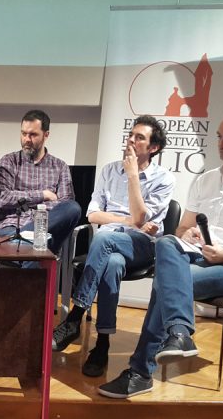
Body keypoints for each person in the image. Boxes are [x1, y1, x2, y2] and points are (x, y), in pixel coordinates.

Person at [98, 112, 223, 399]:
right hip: (197, 257)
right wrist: (187, 234)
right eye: (219, 137)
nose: (221, 144)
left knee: (167, 281)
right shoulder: (206, 180)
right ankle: (179, 333)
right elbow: (182, 228)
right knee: (167, 242)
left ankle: (141, 371)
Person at [52, 115, 175, 378]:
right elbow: (93, 215)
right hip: (109, 246)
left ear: (153, 148)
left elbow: (141, 219)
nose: (130, 140)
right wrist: (128, 221)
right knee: (112, 264)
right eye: (131, 134)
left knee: (103, 239)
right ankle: (102, 345)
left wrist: (133, 175)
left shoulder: (163, 179)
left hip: (141, 246)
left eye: (139, 137)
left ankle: (75, 316)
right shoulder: (109, 171)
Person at [0, 109, 82, 265]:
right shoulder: (9, 161)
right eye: (23, 133)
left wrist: (31, 206)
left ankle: (29, 241)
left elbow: (65, 205)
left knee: (73, 208)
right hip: (14, 227)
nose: (27, 139)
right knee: (39, 249)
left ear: (46, 135)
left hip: (48, 228)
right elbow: (4, 199)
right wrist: (43, 195)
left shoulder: (60, 166)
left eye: (33, 135)